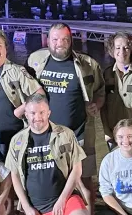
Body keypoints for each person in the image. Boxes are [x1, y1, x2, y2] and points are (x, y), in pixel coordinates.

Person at [5, 94, 96, 215]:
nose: (37, 117)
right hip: (38, 206)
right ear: (26, 114)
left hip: (65, 197)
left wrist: (62, 201)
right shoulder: (17, 141)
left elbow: (76, 170)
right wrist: (27, 208)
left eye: (41, 112)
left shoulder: (65, 134)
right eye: (32, 113)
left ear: (49, 113)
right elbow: (15, 177)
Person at [27, 23, 105, 199]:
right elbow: (23, 87)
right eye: (55, 39)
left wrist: (97, 103)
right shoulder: (35, 61)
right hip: (45, 136)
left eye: (65, 39)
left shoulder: (88, 64)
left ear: (71, 41)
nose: (59, 43)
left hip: (79, 134)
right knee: (51, 179)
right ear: (48, 40)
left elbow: (101, 89)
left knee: (85, 180)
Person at [0, 30, 43, 162]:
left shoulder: (16, 71)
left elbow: (39, 93)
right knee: (0, 178)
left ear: (6, 49)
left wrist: (19, 111)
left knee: (17, 176)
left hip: (14, 136)